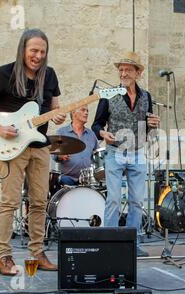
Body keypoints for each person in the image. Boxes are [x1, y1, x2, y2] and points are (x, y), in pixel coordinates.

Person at [0, 29, 66, 275]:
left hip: (40, 146)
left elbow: (54, 109)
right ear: (23, 49)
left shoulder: (50, 75)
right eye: (34, 50)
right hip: (12, 147)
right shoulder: (5, 73)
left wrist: (60, 114)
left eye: (43, 51)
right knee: (10, 202)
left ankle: (37, 253)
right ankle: (3, 257)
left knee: (39, 202)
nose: (38, 56)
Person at [91, 51, 160, 257]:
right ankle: (109, 241)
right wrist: (103, 133)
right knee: (113, 199)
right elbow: (96, 124)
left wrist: (152, 125)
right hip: (115, 152)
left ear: (138, 73)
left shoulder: (146, 96)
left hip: (138, 153)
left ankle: (133, 242)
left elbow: (147, 127)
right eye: (121, 70)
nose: (123, 73)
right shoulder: (108, 94)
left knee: (137, 200)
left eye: (128, 70)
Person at [54, 105, 99, 187]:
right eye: (83, 110)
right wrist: (60, 156)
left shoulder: (91, 134)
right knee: (62, 181)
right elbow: (54, 155)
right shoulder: (62, 132)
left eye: (87, 111)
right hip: (67, 178)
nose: (86, 113)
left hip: (87, 179)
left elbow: (98, 156)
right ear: (73, 112)